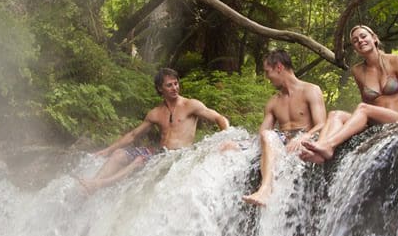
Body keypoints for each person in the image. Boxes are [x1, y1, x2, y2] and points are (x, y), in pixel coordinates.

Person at [80, 68, 230, 191]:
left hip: (181, 155)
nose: (174, 88)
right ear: (160, 88)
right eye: (169, 85)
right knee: (119, 154)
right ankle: (91, 183)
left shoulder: (190, 105)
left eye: (176, 83)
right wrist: (107, 150)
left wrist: (227, 136)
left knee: (139, 160)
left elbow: (219, 118)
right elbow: (133, 135)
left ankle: (99, 185)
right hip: (160, 154)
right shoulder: (156, 113)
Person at [301, 24, 398, 163]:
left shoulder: (396, 60)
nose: (360, 41)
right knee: (334, 114)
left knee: (362, 108)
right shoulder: (358, 71)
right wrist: (360, 125)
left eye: (363, 36)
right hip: (376, 121)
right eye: (355, 41)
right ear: (355, 48)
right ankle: (320, 151)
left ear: (374, 38)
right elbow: (368, 102)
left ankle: (329, 145)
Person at [241, 50, 327, 207]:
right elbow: (263, 133)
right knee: (265, 136)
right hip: (282, 141)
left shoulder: (310, 90)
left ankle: (266, 189)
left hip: (305, 139)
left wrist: (304, 137)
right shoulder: (273, 102)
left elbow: (322, 124)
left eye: (268, 72)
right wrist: (240, 146)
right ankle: (265, 189)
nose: (267, 77)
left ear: (279, 67)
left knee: (272, 136)